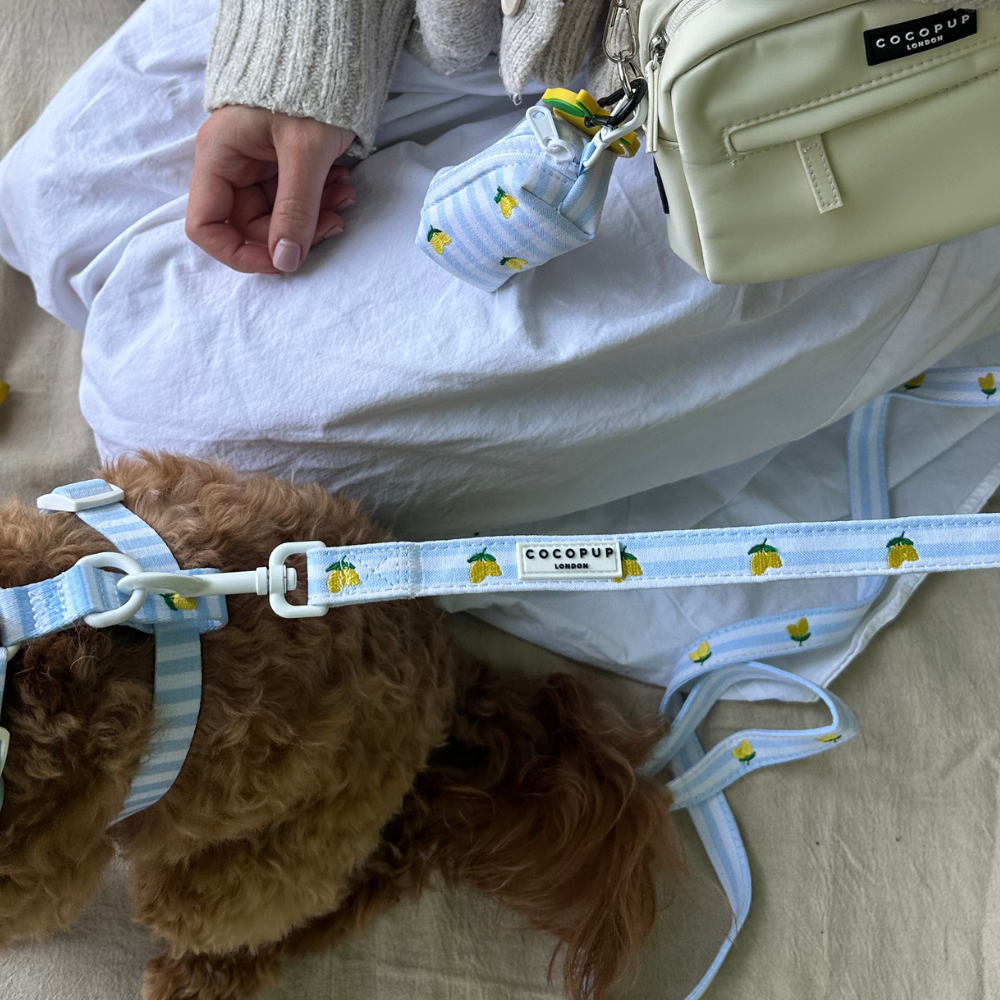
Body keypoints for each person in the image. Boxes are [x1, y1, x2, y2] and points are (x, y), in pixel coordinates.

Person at [1, 0, 999, 683]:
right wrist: (302, 50)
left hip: (792, 61)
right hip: (471, 24)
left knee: (186, 443)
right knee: (49, 200)